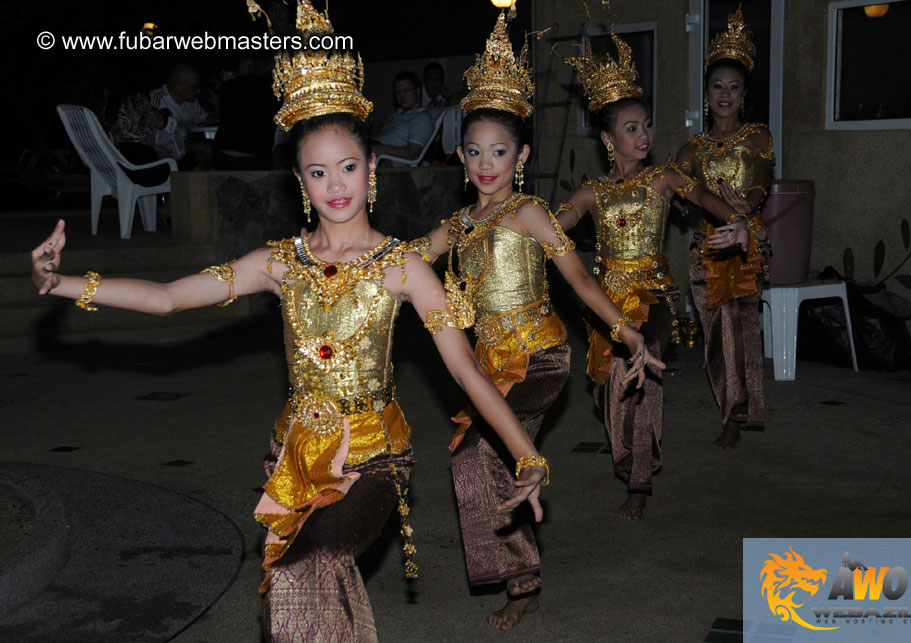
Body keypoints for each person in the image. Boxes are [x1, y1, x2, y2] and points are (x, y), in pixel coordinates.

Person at [30, 4, 550, 640]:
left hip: (374, 460)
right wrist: (60, 283)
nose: (336, 184)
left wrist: (526, 456)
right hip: (295, 455)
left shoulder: (404, 268)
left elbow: (467, 373)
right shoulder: (279, 263)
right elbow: (167, 298)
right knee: (291, 593)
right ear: (301, 181)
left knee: (312, 565)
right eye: (319, 171)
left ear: (373, 170)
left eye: (349, 166)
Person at [416, 13, 664, 631]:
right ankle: (520, 574)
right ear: (460, 156)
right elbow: (404, 260)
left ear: (521, 155)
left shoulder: (530, 212)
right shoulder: (460, 226)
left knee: (475, 455)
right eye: (473, 151)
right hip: (484, 367)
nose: (485, 163)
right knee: (480, 459)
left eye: (498, 151)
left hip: (543, 357)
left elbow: (579, 280)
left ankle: (523, 581)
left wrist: (626, 330)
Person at [556, 33, 753, 519]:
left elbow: (706, 198)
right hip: (605, 304)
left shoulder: (663, 178)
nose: (643, 135)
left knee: (640, 372)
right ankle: (627, 455)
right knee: (609, 392)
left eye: (646, 125)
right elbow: (547, 229)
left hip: (654, 298)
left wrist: (735, 219)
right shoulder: (591, 192)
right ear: (608, 139)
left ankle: (639, 483)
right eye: (630, 128)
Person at [675, 7, 775, 450]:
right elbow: (679, 197)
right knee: (717, 330)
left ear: (744, 93)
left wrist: (744, 210)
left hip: (746, 243)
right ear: (706, 93)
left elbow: (761, 183)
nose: (725, 94)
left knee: (741, 321)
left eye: (734, 87)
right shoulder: (690, 148)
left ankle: (739, 414)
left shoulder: (758, 136)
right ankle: (731, 406)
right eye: (717, 86)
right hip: (706, 248)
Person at [211, 54, 279, 171]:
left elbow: (224, 116)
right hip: (257, 159)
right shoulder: (275, 89)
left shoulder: (227, 86)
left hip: (224, 157)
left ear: (248, 64)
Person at [371, 71, 435, 165]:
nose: (401, 96)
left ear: (417, 91)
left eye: (406, 91)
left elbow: (412, 153)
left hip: (384, 160)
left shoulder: (422, 118)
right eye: (398, 92)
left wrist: (378, 149)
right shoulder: (397, 115)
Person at [149, 63, 208, 163]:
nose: (198, 91)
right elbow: (155, 139)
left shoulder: (192, 101)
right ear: (178, 85)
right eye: (193, 87)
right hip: (165, 156)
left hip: (185, 149)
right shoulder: (157, 100)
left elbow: (203, 119)